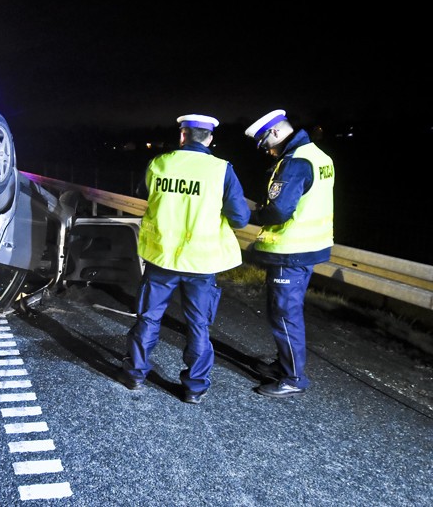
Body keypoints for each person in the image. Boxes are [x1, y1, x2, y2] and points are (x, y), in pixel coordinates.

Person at [120, 114, 251, 404]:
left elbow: (144, 194)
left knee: (149, 317)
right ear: (209, 139)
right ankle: (193, 387)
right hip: (201, 263)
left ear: (183, 136)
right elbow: (240, 219)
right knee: (198, 325)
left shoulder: (159, 163)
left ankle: (135, 374)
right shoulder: (221, 170)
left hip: (162, 258)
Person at [244, 109, 335, 398]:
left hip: (291, 250)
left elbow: (281, 209)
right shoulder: (318, 156)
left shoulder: (294, 162)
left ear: (274, 134)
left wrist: (256, 212)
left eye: (266, 145)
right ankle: (284, 365)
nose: (268, 152)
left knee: (284, 314)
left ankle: (294, 377)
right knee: (282, 312)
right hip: (308, 246)